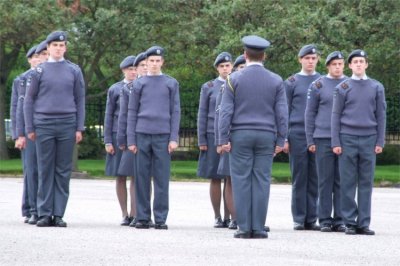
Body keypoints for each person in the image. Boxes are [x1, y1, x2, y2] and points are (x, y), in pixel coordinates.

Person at [219, 35, 288, 239]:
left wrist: (223, 138)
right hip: (266, 135)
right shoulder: (276, 80)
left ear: (244, 55)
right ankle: (258, 227)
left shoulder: (233, 79)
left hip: (240, 134)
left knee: (240, 180)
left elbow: (225, 112)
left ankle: (243, 226)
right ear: (264, 56)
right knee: (261, 180)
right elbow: (282, 114)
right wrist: (281, 139)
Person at [24, 31, 85, 227]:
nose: (58, 49)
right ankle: (44, 213)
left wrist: (79, 127)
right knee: (44, 169)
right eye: (55, 46)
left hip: (67, 123)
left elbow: (80, 99)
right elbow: (29, 100)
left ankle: (58, 213)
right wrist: (30, 126)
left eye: (62, 46)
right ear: (48, 48)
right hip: (44, 123)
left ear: (65, 48)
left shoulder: (74, 70)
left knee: (62, 170)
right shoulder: (38, 71)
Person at [331, 49, 386, 235]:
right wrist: (336, 141)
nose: (359, 64)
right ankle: (350, 222)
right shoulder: (343, 87)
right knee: (347, 182)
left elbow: (381, 115)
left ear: (367, 64)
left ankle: (364, 222)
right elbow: (335, 116)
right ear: (350, 66)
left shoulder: (376, 87)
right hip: (347, 138)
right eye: (355, 62)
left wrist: (380, 140)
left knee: (365, 182)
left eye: (362, 61)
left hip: (369, 138)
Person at [127, 46, 180, 230]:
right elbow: (132, 111)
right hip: (142, 133)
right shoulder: (138, 84)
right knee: (141, 177)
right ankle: (142, 217)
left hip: (163, 135)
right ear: (146, 63)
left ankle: (160, 218)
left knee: (161, 178)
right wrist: (131, 140)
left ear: (162, 62)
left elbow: (175, 111)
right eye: (151, 61)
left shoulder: (171, 83)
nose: (155, 64)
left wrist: (174, 137)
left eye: (158, 61)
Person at [305, 51, 347, 233]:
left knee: (342, 180)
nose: (338, 67)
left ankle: (340, 219)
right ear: (328, 66)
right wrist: (310, 139)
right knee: (324, 180)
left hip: (345, 138)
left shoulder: (349, 84)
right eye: (334, 64)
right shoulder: (318, 85)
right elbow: (309, 113)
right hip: (322, 137)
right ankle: (324, 219)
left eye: (340, 64)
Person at [284, 44, 321, 230]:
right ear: (300, 60)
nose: (310, 61)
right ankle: (299, 217)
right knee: (299, 177)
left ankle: (311, 218)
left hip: (317, 134)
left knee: (315, 177)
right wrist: (284, 137)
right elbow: (284, 111)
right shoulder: (291, 82)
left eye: (313, 58)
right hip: (297, 133)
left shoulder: (322, 81)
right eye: (307, 58)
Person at [197, 52, 233, 228]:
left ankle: (230, 215)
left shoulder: (236, 84)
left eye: (228, 65)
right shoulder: (209, 86)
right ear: (217, 68)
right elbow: (202, 114)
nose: (225, 69)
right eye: (222, 66)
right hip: (212, 135)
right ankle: (218, 215)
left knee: (230, 177)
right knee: (215, 177)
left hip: (230, 136)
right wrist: (201, 139)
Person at [214, 54, 245, 230]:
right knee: (231, 179)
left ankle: (247, 216)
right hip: (231, 139)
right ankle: (234, 217)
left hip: (245, 138)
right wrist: (221, 139)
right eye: (240, 69)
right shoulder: (226, 87)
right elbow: (220, 115)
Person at [104, 55, 137, 226]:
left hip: (134, 136)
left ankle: (134, 212)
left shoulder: (141, 87)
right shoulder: (115, 89)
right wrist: (108, 140)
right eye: (129, 69)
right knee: (120, 176)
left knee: (135, 176)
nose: (133, 72)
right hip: (118, 135)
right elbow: (109, 116)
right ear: (123, 70)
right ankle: (124, 213)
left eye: (134, 69)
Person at [10, 45, 40, 223]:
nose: (38, 59)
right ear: (29, 60)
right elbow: (16, 109)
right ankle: (29, 208)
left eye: (42, 55)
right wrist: (18, 134)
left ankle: (38, 208)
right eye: (35, 56)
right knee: (31, 170)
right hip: (27, 132)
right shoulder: (21, 80)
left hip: (43, 128)